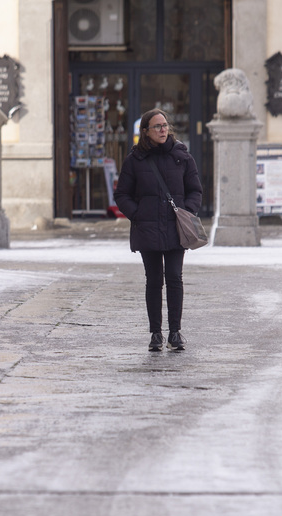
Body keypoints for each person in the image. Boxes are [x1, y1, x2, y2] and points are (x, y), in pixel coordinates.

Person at [114, 109, 203, 351]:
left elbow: (195, 190)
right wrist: (138, 213)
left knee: (174, 278)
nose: (163, 130)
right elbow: (122, 194)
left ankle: (175, 332)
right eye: (157, 126)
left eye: (165, 125)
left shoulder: (182, 157)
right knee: (154, 281)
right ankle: (155, 334)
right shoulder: (135, 160)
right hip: (148, 229)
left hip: (175, 228)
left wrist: (188, 210)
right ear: (146, 132)